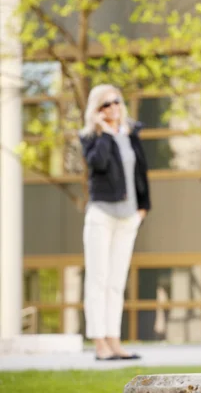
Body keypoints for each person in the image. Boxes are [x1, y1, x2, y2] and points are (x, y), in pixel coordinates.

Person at [79, 84, 150, 361]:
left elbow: (141, 172)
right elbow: (97, 164)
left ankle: (114, 340)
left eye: (116, 102)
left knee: (116, 282)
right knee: (98, 279)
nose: (112, 108)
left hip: (128, 218)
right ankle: (100, 343)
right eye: (105, 105)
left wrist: (143, 208)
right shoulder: (90, 138)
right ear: (96, 111)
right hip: (102, 216)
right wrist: (105, 134)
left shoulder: (132, 134)